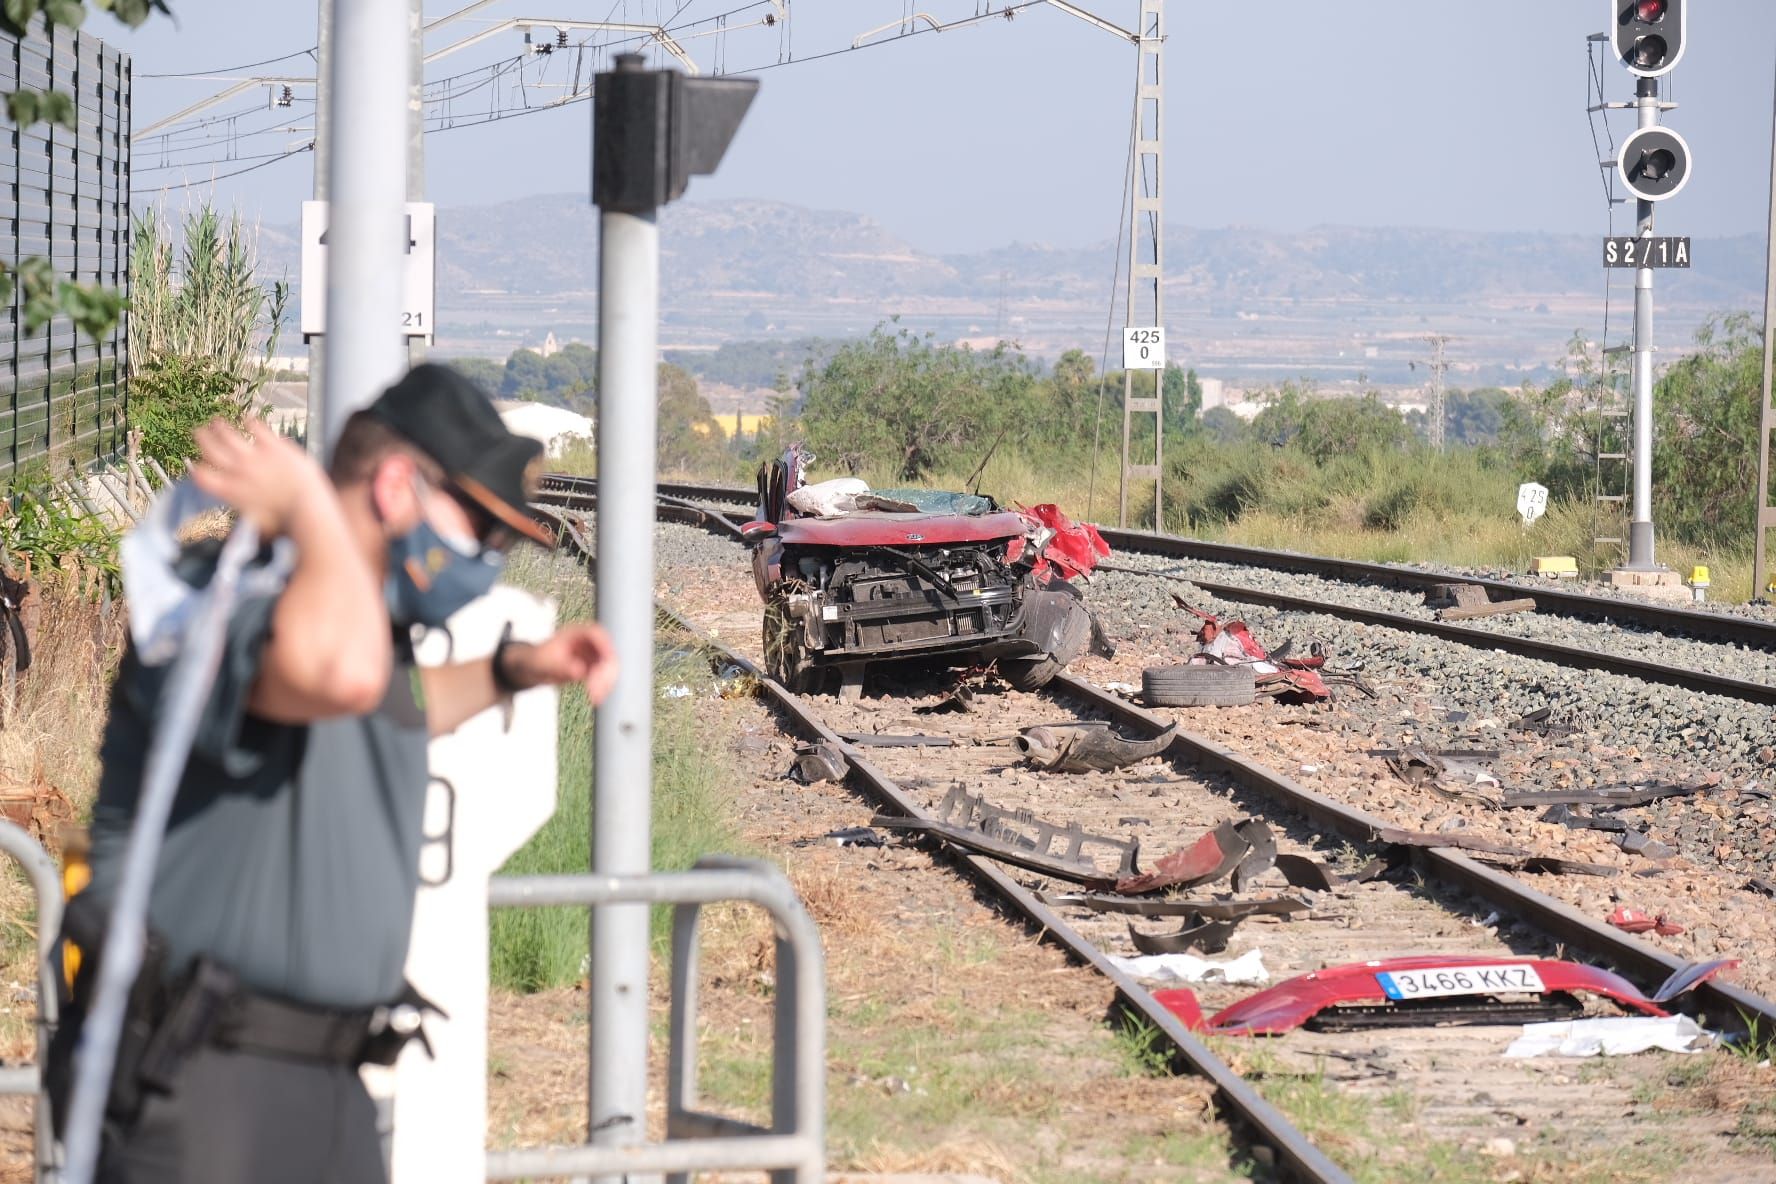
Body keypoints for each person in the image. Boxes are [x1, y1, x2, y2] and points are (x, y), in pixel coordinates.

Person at [50, 364, 618, 1184]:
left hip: (326, 1085)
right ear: (395, 486)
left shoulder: (358, 637)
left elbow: (390, 707)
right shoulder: (233, 596)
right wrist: (314, 511)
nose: (488, 562)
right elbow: (342, 679)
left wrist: (516, 668)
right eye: (480, 532)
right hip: (203, 1086)